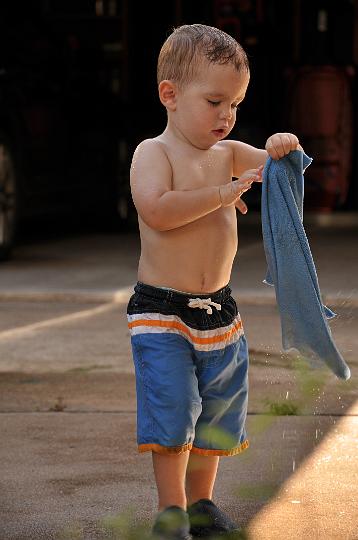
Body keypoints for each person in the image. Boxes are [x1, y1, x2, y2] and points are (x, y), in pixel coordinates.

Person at [127, 23, 301, 539]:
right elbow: (158, 211)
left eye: (236, 104)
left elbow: (282, 174)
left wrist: (282, 149)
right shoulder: (152, 154)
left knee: (222, 408)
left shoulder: (228, 153)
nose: (227, 115)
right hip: (161, 310)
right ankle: (172, 508)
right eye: (216, 101)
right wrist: (225, 194)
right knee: (173, 404)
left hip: (219, 310)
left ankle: (202, 503)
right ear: (170, 95)